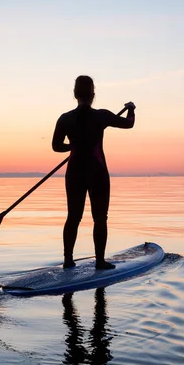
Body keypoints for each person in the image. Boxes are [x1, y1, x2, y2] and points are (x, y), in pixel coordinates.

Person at [52, 75, 135, 269]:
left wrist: (72, 147)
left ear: (75, 94)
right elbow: (129, 122)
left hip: (74, 173)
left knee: (73, 217)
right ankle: (99, 261)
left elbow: (56, 146)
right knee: (100, 218)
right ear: (93, 94)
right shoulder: (101, 116)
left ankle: (67, 261)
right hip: (97, 173)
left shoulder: (65, 119)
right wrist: (131, 107)